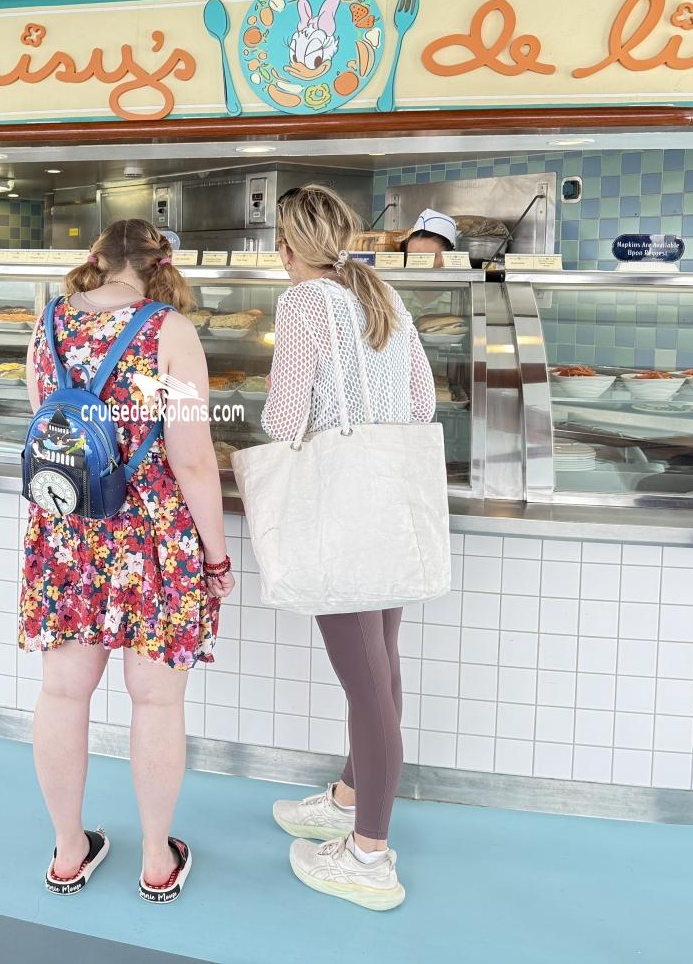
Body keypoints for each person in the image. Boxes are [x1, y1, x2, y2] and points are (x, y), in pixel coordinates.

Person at [20, 218, 233, 902]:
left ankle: (68, 849)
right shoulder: (170, 331)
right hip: (153, 532)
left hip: (69, 529)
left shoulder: (47, 325)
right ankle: (156, 861)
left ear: (96, 257)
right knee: (157, 700)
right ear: (159, 266)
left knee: (62, 692)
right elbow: (192, 458)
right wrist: (216, 556)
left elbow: (48, 425)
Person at [260, 185, 436, 912]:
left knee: (365, 685)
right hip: (388, 499)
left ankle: (368, 854)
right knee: (382, 667)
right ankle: (346, 799)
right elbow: (422, 403)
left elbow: (283, 419)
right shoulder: (382, 294)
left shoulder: (303, 302)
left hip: (340, 507)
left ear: (287, 247)